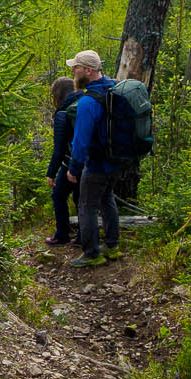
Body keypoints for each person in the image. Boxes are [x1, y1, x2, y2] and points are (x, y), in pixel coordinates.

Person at [62, 49, 121, 267]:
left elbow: (81, 141)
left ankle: (91, 254)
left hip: (97, 163)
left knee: (86, 205)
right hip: (116, 160)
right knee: (107, 198)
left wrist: (73, 169)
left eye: (76, 67)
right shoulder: (113, 88)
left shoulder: (88, 102)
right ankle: (112, 246)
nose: (73, 71)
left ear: (88, 70)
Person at [45, 76, 79, 245]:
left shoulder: (63, 114)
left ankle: (62, 235)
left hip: (70, 164)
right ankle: (82, 237)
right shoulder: (84, 102)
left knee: (58, 196)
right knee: (81, 200)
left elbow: (59, 149)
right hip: (89, 161)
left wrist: (51, 173)